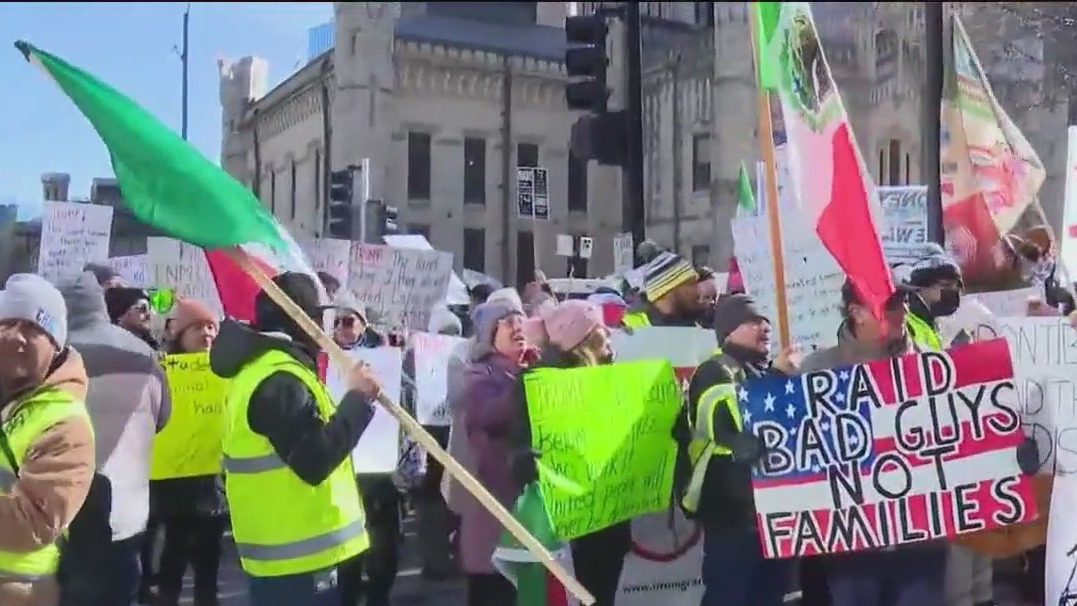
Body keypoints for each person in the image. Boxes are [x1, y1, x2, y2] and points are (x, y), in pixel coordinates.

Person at [208, 272, 382, 606]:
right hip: (299, 563)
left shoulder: (269, 369)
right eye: (320, 317)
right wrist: (359, 401)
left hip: (292, 554)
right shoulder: (279, 379)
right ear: (304, 319)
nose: (324, 329)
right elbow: (314, 460)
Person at [799, 280, 947, 606]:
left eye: (904, 300)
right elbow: (797, 457)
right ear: (857, 313)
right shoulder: (815, 372)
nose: (904, 310)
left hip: (922, 540)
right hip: (851, 547)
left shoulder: (936, 366)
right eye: (891, 304)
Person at [58, 271, 171, 606]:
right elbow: (163, 417)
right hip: (128, 511)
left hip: (65, 512)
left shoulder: (52, 353)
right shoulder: (143, 353)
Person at [682, 294, 797, 606]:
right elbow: (729, 419)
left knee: (769, 595)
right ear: (728, 331)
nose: (764, 328)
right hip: (732, 512)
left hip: (771, 510)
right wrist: (776, 378)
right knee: (730, 595)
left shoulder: (763, 371)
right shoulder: (715, 370)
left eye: (765, 321)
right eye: (752, 321)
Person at [515, 301, 627, 606]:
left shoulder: (615, 378)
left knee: (602, 594)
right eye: (601, 328)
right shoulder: (539, 384)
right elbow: (518, 448)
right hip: (568, 521)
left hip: (609, 514)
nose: (609, 333)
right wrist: (535, 458)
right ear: (584, 339)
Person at [0, 274, 96, 606]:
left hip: (19, 592)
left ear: (56, 345)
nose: (17, 339)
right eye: (7, 324)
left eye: (33, 328)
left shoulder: (64, 420)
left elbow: (34, 523)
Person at [448, 300, 532, 606]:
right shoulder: (478, 373)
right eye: (506, 322)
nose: (517, 327)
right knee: (493, 590)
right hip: (493, 504)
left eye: (519, 320)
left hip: (526, 507)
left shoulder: (530, 368)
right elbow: (488, 414)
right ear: (488, 335)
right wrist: (525, 383)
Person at [154, 299, 226, 606]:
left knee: (209, 559)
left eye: (211, 327)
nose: (207, 334)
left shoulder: (226, 368)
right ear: (179, 333)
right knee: (175, 550)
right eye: (198, 327)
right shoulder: (160, 368)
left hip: (213, 478)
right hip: (174, 478)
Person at [336, 300, 398, 606]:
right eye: (336, 322)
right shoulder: (323, 360)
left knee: (384, 552)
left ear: (363, 324)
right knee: (346, 553)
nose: (341, 329)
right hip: (341, 471)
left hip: (380, 473)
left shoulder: (385, 360)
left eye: (348, 321)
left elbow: (404, 406)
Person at [417, 307, 463, 580]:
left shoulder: (466, 357)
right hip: (432, 438)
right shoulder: (419, 359)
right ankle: (436, 561)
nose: (449, 339)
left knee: (454, 502)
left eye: (454, 334)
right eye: (444, 334)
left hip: (456, 438)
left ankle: (454, 556)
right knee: (435, 500)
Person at [902, 244, 961, 350]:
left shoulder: (934, 323)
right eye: (946, 286)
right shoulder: (905, 325)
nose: (953, 291)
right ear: (921, 287)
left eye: (956, 286)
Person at [622, 252, 702, 327]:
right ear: (666, 290)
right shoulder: (624, 328)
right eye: (691, 285)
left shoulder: (696, 328)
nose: (698, 292)